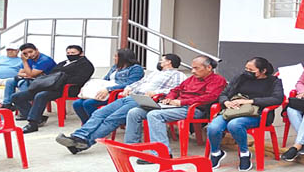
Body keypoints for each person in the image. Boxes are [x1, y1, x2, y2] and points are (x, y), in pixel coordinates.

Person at [55, 53, 185, 153]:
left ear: (169, 62)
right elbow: (140, 83)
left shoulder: (177, 75)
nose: (160, 62)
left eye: (162, 60)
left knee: (112, 119)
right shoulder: (155, 73)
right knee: (100, 113)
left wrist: (156, 92)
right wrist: (128, 88)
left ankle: (82, 142)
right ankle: (79, 137)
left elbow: (176, 89)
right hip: (131, 96)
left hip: (144, 100)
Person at [124, 55, 226, 162]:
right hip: (176, 106)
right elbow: (175, 90)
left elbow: (209, 97)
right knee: (135, 112)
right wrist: (169, 98)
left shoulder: (217, 80)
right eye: (192, 68)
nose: (192, 71)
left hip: (194, 109)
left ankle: (162, 154)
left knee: (154, 115)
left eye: (196, 68)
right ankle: (132, 147)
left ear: (209, 68)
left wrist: (182, 102)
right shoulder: (192, 79)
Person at [208, 57, 284, 171]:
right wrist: (226, 102)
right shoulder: (240, 78)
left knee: (234, 125)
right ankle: (216, 153)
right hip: (232, 111)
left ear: (263, 71)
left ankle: (244, 153)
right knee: (213, 127)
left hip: (257, 114)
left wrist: (250, 101)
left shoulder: (273, 81)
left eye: (251, 70)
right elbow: (223, 94)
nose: (247, 72)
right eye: (246, 69)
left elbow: (277, 99)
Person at [13, 45, 94, 133]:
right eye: (68, 53)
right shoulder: (64, 62)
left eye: (73, 53)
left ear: (81, 53)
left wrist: (61, 78)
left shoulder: (86, 65)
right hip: (50, 86)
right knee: (16, 97)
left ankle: (33, 123)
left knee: (41, 96)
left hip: (66, 89)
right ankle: (38, 118)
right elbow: (52, 74)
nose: (70, 55)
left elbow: (80, 80)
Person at [72, 48, 144, 123]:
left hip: (116, 94)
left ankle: (98, 124)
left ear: (123, 57)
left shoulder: (136, 68)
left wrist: (109, 89)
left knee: (88, 103)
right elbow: (105, 79)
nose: (114, 58)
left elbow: (131, 84)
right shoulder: (115, 67)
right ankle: (87, 124)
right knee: (77, 103)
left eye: (116, 56)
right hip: (105, 92)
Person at [0, 43, 56, 109]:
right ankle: (7, 104)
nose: (29, 55)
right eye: (25, 53)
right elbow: (20, 73)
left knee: (23, 83)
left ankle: (26, 108)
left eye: (31, 52)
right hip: (35, 80)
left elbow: (30, 74)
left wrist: (25, 62)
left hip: (47, 83)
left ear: (36, 50)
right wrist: (29, 74)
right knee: (10, 81)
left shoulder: (44, 60)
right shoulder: (28, 59)